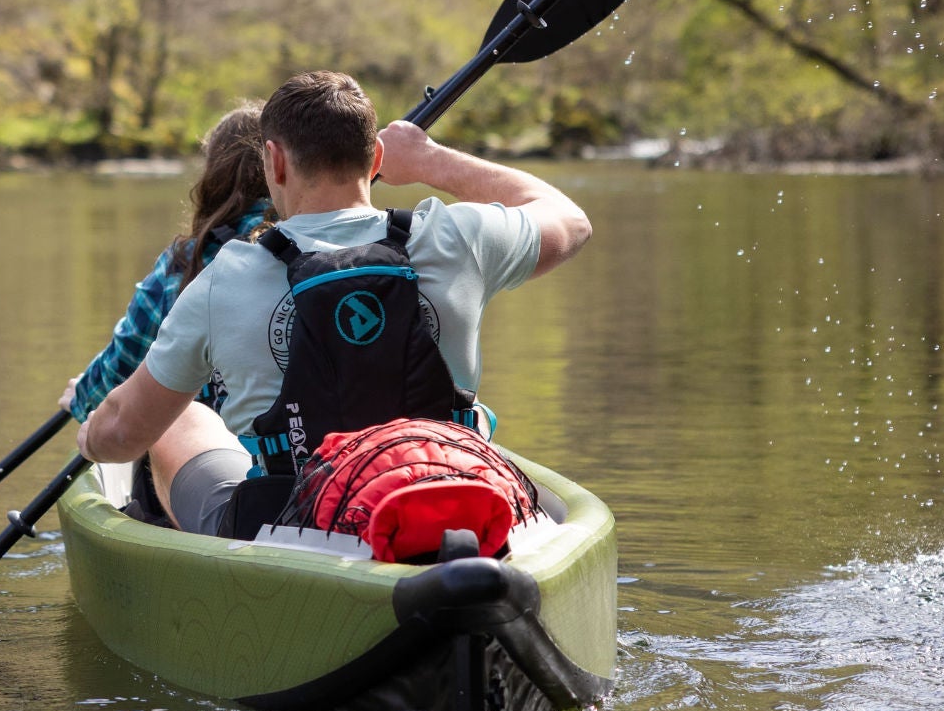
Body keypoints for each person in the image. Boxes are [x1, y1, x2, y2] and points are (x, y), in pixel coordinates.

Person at [75, 70, 593, 538]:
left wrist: (92, 441)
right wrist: (431, 160)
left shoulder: (222, 279)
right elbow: (570, 222)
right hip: (453, 494)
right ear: (377, 160)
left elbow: (124, 432)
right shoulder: (460, 239)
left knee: (184, 417)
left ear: (274, 161)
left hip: (291, 525)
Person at [63, 108, 272, 522]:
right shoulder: (315, 249)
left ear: (214, 176)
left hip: (210, 462)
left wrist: (80, 397)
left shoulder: (190, 261)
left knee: (155, 420)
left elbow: (121, 374)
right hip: (299, 457)